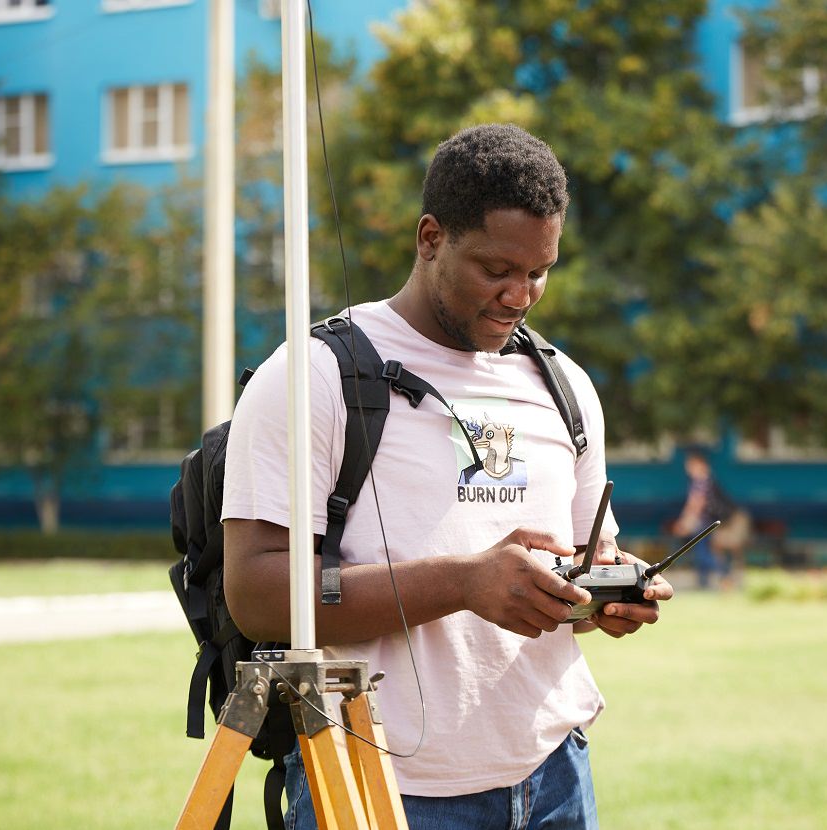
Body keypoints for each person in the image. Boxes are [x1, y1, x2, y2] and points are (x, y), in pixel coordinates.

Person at [222, 123, 674, 830]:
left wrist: (602, 596)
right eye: (496, 269)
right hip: (373, 780)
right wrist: (464, 583)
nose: (520, 295)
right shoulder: (315, 376)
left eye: (538, 271)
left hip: (554, 775)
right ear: (430, 237)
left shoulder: (563, 384)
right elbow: (254, 592)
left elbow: (575, 567)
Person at [672, 448, 746, 589]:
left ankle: (722, 576)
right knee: (702, 551)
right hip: (707, 522)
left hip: (707, 523)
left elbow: (696, 504)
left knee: (703, 553)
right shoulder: (704, 481)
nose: (688, 469)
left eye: (691, 465)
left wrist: (684, 523)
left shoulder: (702, 480)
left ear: (700, 464)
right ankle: (707, 581)